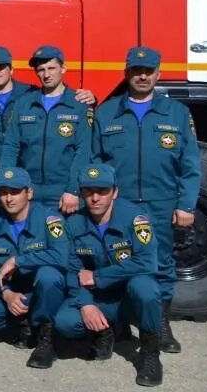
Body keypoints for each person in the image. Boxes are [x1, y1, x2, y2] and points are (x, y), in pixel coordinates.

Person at [92, 46, 200, 354]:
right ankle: (121, 322)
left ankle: (160, 326)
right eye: (136, 71)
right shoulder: (107, 112)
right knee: (117, 260)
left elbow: (190, 165)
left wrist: (185, 205)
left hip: (161, 203)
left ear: (158, 73)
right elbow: (95, 162)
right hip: (119, 206)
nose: (142, 76)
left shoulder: (177, 113)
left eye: (148, 71)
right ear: (126, 74)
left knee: (161, 264)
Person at [54, 164, 163, 387]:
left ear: (114, 192)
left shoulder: (136, 218)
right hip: (99, 297)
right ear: (81, 193)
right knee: (65, 322)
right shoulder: (74, 223)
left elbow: (147, 262)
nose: (95, 198)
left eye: (102, 191)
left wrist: (98, 276)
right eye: (88, 191)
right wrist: (85, 304)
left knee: (146, 288)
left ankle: (151, 353)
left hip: (128, 296)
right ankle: (106, 331)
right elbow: (72, 270)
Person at [0, 167, 68, 369]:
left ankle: (45, 338)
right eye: (3, 193)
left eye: (15, 192)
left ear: (29, 192)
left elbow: (61, 255)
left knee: (49, 275)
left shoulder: (50, 220)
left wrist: (18, 261)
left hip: (44, 292)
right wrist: (6, 293)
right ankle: (26, 325)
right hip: (16, 294)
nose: (9, 198)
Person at [0, 46, 96, 181]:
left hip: (24, 175)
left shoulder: (29, 94)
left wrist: (92, 100)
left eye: (0, 67)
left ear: (11, 69)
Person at [0, 45, 92, 214]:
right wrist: (7, 184)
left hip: (63, 193)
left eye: (51, 68)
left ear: (63, 68)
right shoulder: (23, 104)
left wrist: (73, 190)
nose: (46, 75)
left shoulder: (79, 105)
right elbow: (10, 147)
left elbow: (83, 151)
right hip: (27, 190)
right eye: (41, 70)